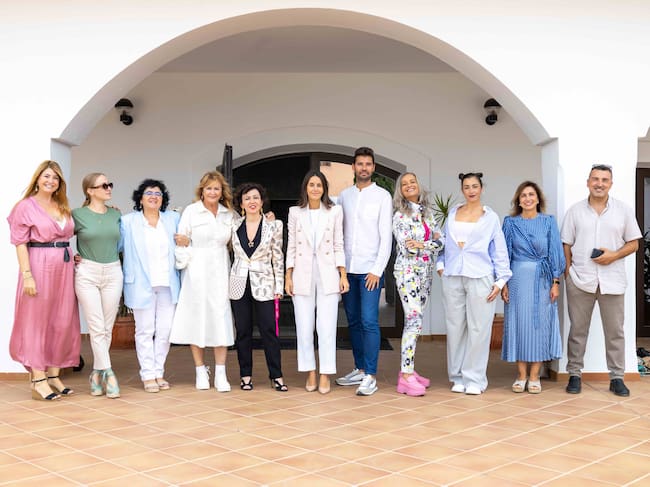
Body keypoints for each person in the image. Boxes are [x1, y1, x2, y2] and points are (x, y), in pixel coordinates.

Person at [561, 164, 642, 397]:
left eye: (604, 180)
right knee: (577, 330)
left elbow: (634, 244)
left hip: (612, 281)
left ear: (611, 184)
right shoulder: (575, 211)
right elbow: (566, 244)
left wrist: (613, 256)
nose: (599, 184)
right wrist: (568, 274)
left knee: (615, 332)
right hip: (580, 280)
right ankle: (574, 374)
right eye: (595, 179)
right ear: (588, 182)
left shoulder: (624, 211)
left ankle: (617, 378)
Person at [7, 160, 80, 400]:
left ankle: (53, 375)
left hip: (64, 268)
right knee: (36, 321)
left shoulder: (62, 205)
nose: (51, 181)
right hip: (39, 266)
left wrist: (72, 256)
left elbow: (65, 237)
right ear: (37, 179)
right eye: (47, 176)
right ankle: (38, 379)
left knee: (62, 320)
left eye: (55, 178)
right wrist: (27, 275)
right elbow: (20, 243)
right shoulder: (25, 207)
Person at [437, 172, 511, 395]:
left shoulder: (490, 218)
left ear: (481, 188)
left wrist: (500, 281)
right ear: (462, 190)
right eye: (467, 187)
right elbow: (444, 243)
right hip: (453, 275)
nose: (471, 190)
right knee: (455, 327)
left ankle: (475, 379)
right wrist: (440, 265)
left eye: (475, 186)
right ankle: (457, 376)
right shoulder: (452, 213)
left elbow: (499, 250)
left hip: (481, 276)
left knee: (479, 329)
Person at [170, 171, 236, 392]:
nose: (212, 192)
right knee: (197, 318)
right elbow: (180, 243)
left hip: (221, 270)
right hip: (196, 271)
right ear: (202, 191)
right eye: (209, 188)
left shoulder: (228, 214)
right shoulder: (191, 211)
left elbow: (243, 234)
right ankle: (200, 370)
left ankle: (221, 373)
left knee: (220, 318)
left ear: (222, 191)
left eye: (216, 188)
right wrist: (186, 249)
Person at [285, 170, 349, 394]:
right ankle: (310, 371)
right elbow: (291, 245)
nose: (315, 188)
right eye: (311, 184)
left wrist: (343, 274)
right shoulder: (295, 212)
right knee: (304, 327)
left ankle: (325, 374)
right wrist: (288, 276)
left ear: (324, 189)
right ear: (305, 187)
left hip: (328, 273)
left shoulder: (335, 211)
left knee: (326, 327)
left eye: (319, 185)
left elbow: (339, 244)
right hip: (301, 273)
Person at [335, 147, 393, 396]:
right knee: (354, 321)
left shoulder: (382, 196)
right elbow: (337, 231)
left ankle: (370, 375)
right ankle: (359, 369)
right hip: (348, 271)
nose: (364, 168)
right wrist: (340, 270)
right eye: (360, 164)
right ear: (353, 167)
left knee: (369, 321)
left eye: (368, 164)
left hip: (370, 271)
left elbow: (386, 237)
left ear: (373, 168)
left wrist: (377, 270)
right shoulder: (344, 196)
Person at [501, 181, 564, 394]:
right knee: (519, 324)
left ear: (538, 199)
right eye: (523, 195)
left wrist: (555, 282)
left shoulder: (548, 222)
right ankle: (521, 375)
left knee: (540, 325)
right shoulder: (510, 223)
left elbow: (555, 252)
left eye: (531, 194)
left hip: (543, 279)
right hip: (517, 279)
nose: (527, 198)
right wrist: (503, 283)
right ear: (518, 201)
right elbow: (504, 254)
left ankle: (535, 375)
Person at [120, 179, 181, 393]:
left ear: (163, 199)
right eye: (149, 193)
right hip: (140, 284)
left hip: (168, 284)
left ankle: (158, 372)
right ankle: (148, 375)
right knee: (145, 330)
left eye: (158, 193)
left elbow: (188, 238)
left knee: (165, 330)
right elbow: (113, 246)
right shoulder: (127, 221)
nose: (154, 197)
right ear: (140, 198)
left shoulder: (173, 219)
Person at [229, 183, 287, 391]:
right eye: (247, 198)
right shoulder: (233, 225)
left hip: (265, 283)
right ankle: (245, 376)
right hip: (239, 283)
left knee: (269, 330)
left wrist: (279, 285)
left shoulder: (274, 225)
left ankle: (277, 375)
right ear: (241, 204)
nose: (251, 201)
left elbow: (278, 257)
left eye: (255, 197)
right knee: (243, 331)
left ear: (262, 202)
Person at [392, 172, 443, 396]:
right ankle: (405, 376)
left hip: (425, 274)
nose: (409, 186)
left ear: (419, 186)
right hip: (407, 272)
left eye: (412, 182)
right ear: (400, 191)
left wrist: (423, 244)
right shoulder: (399, 216)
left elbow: (442, 241)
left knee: (416, 322)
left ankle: (409, 369)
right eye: (404, 184)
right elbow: (408, 248)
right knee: (413, 320)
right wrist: (429, 244)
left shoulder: (427, 213)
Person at [72, 173, 123, 398]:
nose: (108, 188)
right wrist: (72, 254)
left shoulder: (116, 214)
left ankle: (96, 373)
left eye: (109, 184)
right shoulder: (77, 214)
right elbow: (60, 237)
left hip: (113, 271)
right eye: (103, 185)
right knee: (96, 326)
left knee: (106, 327)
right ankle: (109, 374)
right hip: (87, 273)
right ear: (90, 191)